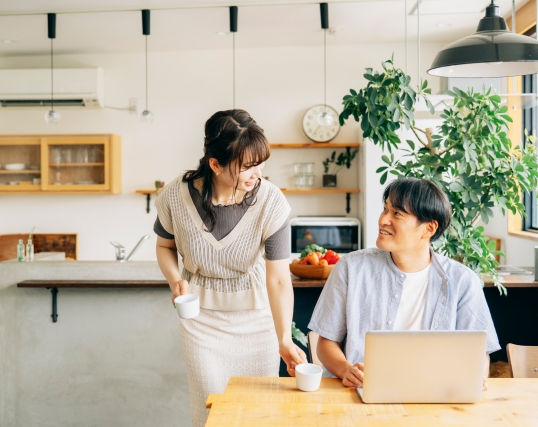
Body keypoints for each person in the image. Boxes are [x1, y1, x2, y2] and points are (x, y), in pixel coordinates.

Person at [154, 109, 306, 427]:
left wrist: (284, 338)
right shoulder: (174, 196)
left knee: (258, 411)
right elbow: (165, 246)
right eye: (247, 167)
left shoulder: (271, 201)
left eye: (260, 163)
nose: (257, 174)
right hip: (201, 323)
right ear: (215, 164)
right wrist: (174, 280)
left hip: (256, 321)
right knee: (212, 408)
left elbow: (278, 279)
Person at [308, 177, 500, 389]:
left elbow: (478, 354)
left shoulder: (463, 281)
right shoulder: (351, 268)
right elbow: (325, 343)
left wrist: (475, 376)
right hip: (361, 392)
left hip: (435, 395)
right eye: (385, 209)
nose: (383, 220)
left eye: (397, 214)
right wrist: (345, 369)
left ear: (428, 229)